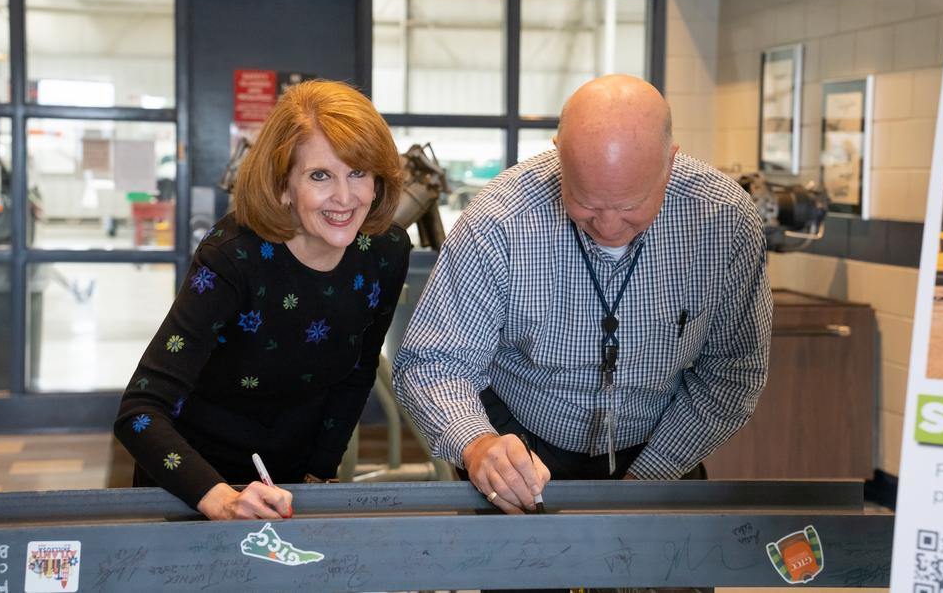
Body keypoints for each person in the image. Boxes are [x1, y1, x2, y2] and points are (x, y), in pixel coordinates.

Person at [394, 74, 772, 516]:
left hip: (662, 445)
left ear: (670, 162)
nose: (609, 228)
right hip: (522, 445)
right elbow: (434, 362)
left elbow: (732, 372)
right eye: (586, 203)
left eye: (632, 207)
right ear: (560, 158)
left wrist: (648, 478)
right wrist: (478, 445)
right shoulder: (501, 219)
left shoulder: (724, 222)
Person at [115, 80, 411, 520]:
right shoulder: (233, 257)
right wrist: (221, 499)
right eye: (320, 175)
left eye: (358, 173)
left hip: (289, 484)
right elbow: (139, 413)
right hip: (192, 485)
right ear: (283, 185)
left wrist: (319, 475)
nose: (345, 198)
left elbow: (356, 373)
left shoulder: (384, 252)